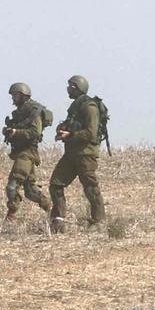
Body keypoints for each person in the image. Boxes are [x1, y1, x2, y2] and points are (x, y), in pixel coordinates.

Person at [50, 75, 108, 232]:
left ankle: (99, 221)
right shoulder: (75, 107)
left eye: (70, 86)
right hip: (71, 154)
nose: (68, 89)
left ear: (77, 88)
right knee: (56, 184)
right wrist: (62, 129)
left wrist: (71, 135)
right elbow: (72, 125)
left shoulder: (90, 107)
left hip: (85, 154)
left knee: (91, 187)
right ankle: (58, 220)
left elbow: (91, 133)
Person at [1, 83, 55, 221]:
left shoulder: (33, 110)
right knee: (31, 191)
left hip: (28, 153)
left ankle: (11, 215)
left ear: (23, 95)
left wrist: (16, 132)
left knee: (12, 186)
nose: (13, 98)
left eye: (15, 95)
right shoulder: (20, 111)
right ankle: (51, 210)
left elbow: (35, 132)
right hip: (20, 152)